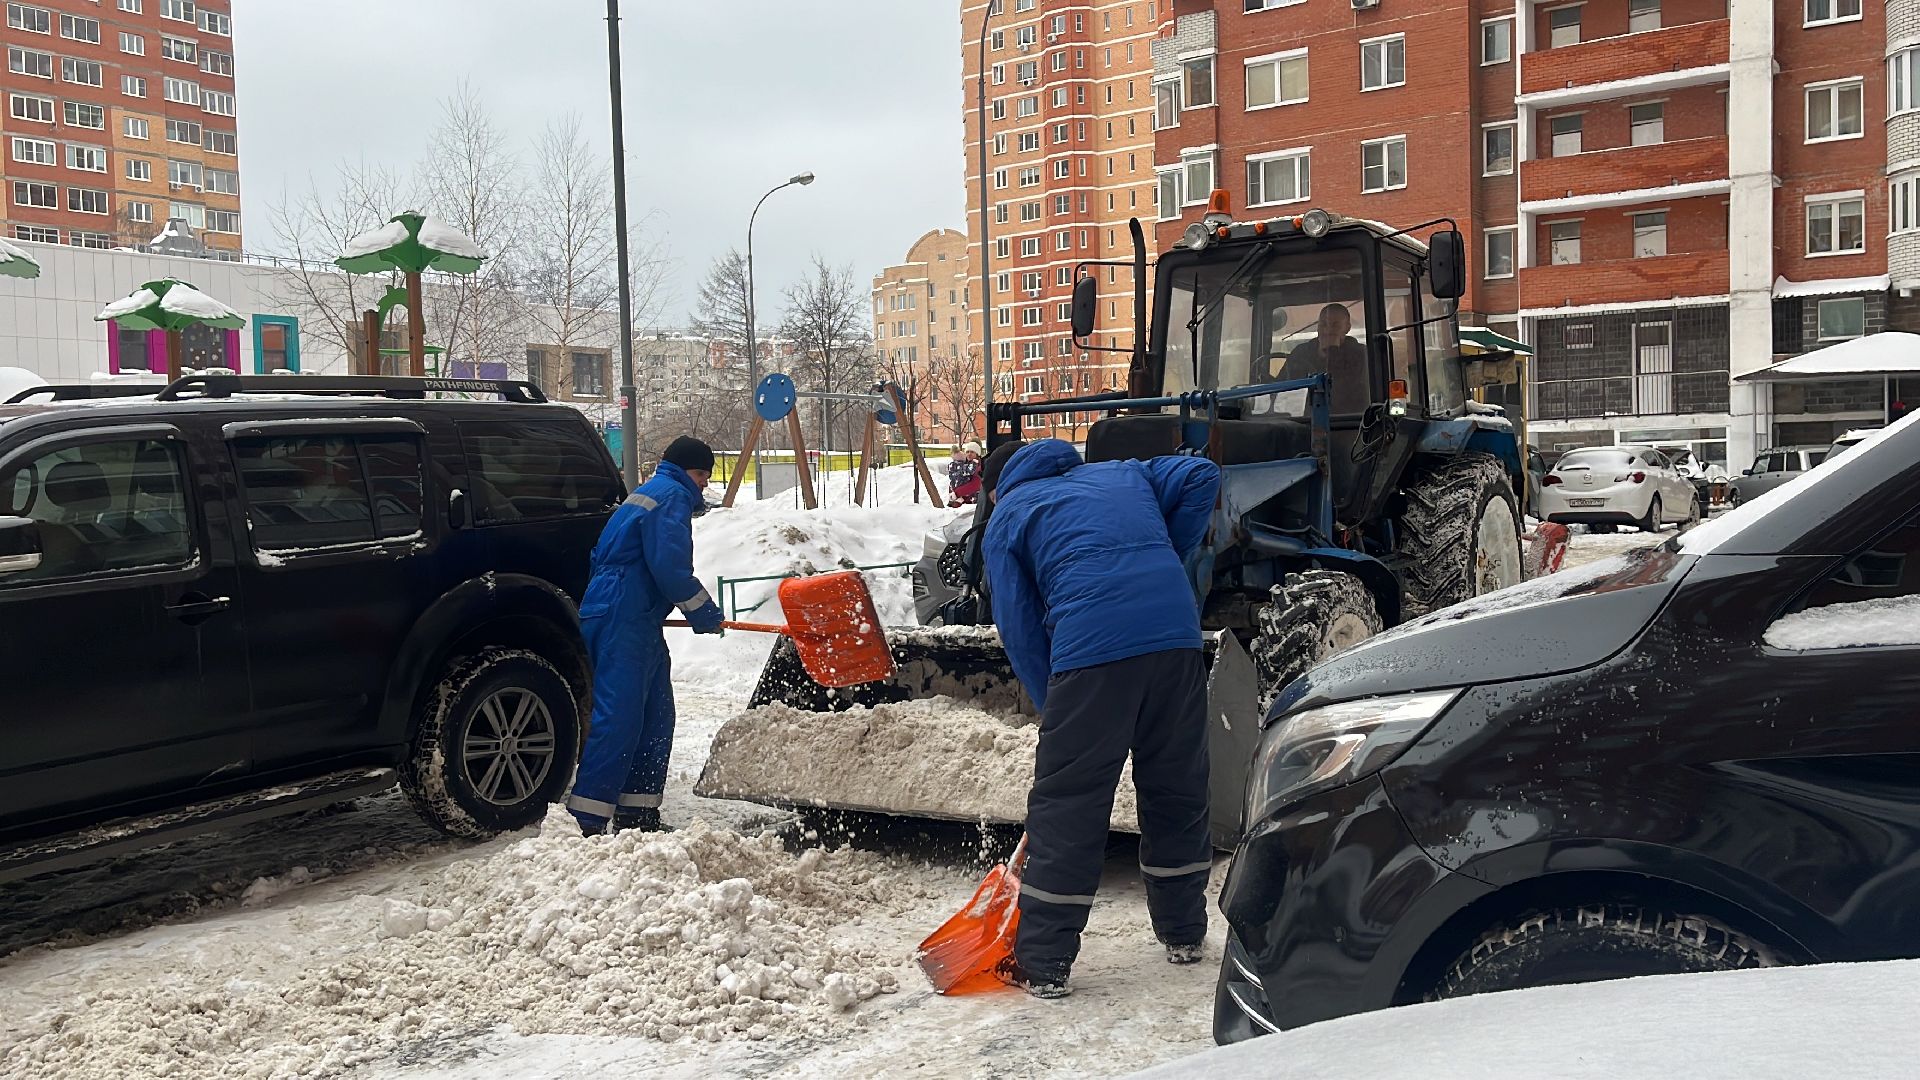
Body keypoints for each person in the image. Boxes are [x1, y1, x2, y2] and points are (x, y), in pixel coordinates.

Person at [978, 438, 1223, 999]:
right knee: (1176, 785)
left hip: (1091, 654)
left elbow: (1018, 628)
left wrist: (1053, 701)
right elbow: (1199, 474)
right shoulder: (1125, 472)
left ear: (996, 489)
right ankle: (1184, 933)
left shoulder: (1009, 515)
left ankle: (1044, 963)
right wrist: (1164, 556)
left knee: (1071, 803)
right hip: (1177, 642)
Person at [566, 435, 726, 836]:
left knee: (656, 716)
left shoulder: (646, 493)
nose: (704, 482)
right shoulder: (671, 495)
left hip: (631, 615)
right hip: (625, 616)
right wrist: (703, 612)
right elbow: (669, 566)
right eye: (701, 473)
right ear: (684, 470)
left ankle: (638, 814)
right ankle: (586, 820)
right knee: (619, 718)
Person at [1277, 304, 1371, 414]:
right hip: (1304, 422)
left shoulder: (1361, 354)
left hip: (1349, 422)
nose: (1327, 331)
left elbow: (1354, 394)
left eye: (1335, 325)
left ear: (1347, 328)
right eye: (1323, 325)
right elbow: (1283, 388)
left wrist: (1332, 352)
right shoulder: (1301, 352)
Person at [948, 442, 984, 506]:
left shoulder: (978, 467)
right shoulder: (964, 465)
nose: (969, 454)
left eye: (972, 452)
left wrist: (956, 493)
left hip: (972, 502)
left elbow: (976, 485)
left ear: (977, 454)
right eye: (967, 452)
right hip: (962, 500)